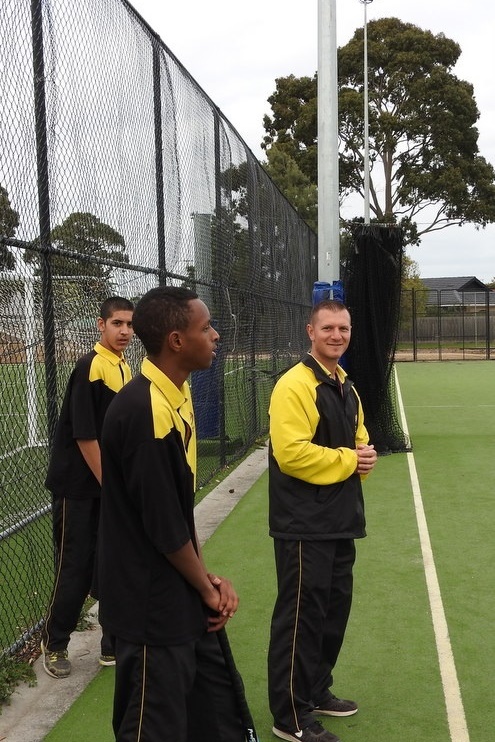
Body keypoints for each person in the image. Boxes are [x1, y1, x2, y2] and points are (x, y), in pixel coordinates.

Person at [97, 285, 245, 742]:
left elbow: (177, 514)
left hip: (172, 590)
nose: (216, 335)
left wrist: (206, 580)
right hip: (148, 607)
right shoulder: (146, 412)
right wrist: (205, 587)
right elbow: (163, 529)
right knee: (151, 725)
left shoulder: (174, 396)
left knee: (210, 709)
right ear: (177, 341)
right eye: (206, 328)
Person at [267, 299, 378, 742]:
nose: (337, 335)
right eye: (328, 328)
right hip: (302, 525)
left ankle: (315, 690)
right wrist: (350, 459)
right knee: (300, 619)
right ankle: (289, 715)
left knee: (333, 613)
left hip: (340, 520)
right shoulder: (294, 385)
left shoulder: (345, 385)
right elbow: (291, 453)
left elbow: (360, 439)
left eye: (344, 328)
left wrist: (363, 456)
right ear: (310, 331)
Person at [41, 296, 134, 678]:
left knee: (113, 562)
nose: (125, 331)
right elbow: (85, 437)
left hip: (105, 487)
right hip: (79, 489)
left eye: (129, 324)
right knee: (75, 567)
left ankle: (112, 643)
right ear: (101, 325)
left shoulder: (123, 365)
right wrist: (112, 485)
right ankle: (55, 643)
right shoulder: (90, 366)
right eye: (117, 324)